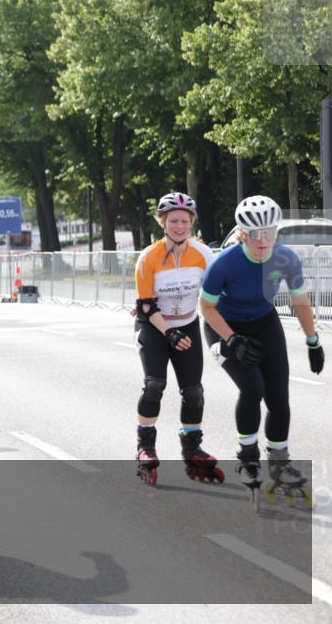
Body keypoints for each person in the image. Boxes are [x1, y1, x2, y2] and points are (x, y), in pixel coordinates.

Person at [199, 195, 324, 512]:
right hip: (223, 326)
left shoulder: (286, 259)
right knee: (252, 388)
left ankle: (280, 463)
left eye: (269, 232)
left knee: (279, 396)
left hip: (264, 323)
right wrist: (231, 339)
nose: (262, 240)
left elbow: (300, 303)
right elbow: (206, 307)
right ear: (241, 234)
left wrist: (313, 341)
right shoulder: (224, 263)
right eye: (254, 234)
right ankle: (248, 457)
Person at [132, 192, 221, 486]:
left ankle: (192, 447)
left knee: (194, 391)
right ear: (163, 222)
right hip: (155, 327)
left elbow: (215, 294)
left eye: (184, 221)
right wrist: (169, 332)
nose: (179, 226)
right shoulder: (149, 257)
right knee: (155, 385)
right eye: (173, 221)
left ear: (192, 222)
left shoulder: (203, 254)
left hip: (188, 325)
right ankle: (145, 445)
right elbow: (145, 305)